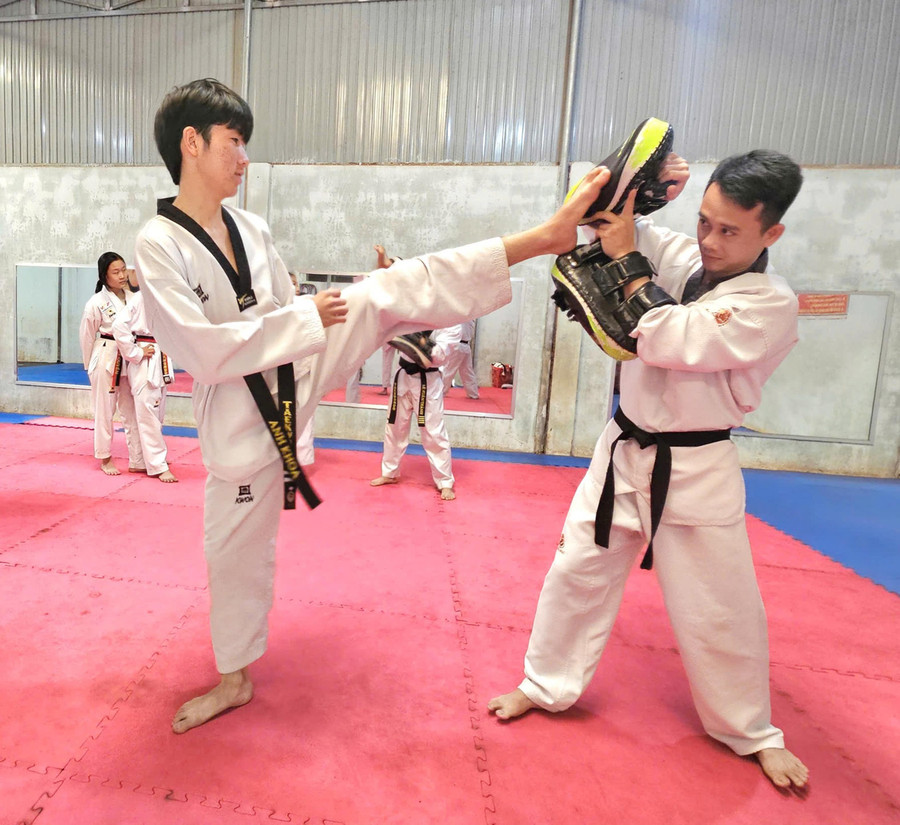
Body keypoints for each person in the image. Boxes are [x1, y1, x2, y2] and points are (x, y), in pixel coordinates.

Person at [133, 77, 609, 734]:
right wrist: (306, 316)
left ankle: (542, 238)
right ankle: (233, 679)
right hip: (241, 410)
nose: (244, 158)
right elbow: (203, 351)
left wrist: (318, 316)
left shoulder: (251, 226)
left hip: (294, 363)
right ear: (192, 143)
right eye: (234, 142)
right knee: (234, 553)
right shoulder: (159, 242)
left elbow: (286, 307)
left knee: (390, 287)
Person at [488, 149, 810, 791]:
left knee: (718, 608)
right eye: (705, 221)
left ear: (771, 232)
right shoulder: (682, 257)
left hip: (696, 466)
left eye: (730, 230)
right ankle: (545, 685)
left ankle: (750, 730)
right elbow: (603, 224)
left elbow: (668, 335)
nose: (710, 240)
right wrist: (642, 186)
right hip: (621, 447)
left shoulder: (769, 303)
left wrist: (630, 256)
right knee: (575, 571)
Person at [370, 314, 462, 501]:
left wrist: (414, 339)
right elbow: (391, 336)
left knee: (433, 431)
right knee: (394, 426)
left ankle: (445, 481)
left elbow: (437, 356)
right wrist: (402, 334)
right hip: (403, 374)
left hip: (428, 380)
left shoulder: (452, 323)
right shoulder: (413, 311)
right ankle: (390, 472)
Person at [78, 252, 144, 476]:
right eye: (116, 272)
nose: (122, 276)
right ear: (104, 276)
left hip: (131, 355)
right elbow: (87, 336)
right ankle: (105, 457)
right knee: (104, 410)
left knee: (132, 411)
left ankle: (138, 459)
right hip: (106, 354)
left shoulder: (135, 298)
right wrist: (89, 365)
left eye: (124, 270)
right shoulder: (96, 302)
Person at [111, 290, 178, 482]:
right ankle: (158, 464)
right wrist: (135, 352)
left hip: (159, 353)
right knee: (148, 413)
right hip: (145, 357)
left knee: (154, 412)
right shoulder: (142, 297)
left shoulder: (165, 295)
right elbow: (118, 325)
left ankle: (139, 461)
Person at [442, 317, 479, 399]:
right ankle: (473, 394)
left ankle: (441, 392)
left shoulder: (462, 316)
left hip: (458, 345)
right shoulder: (470, 317)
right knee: (467, 371)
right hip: (465, 345)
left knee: (449, 369)